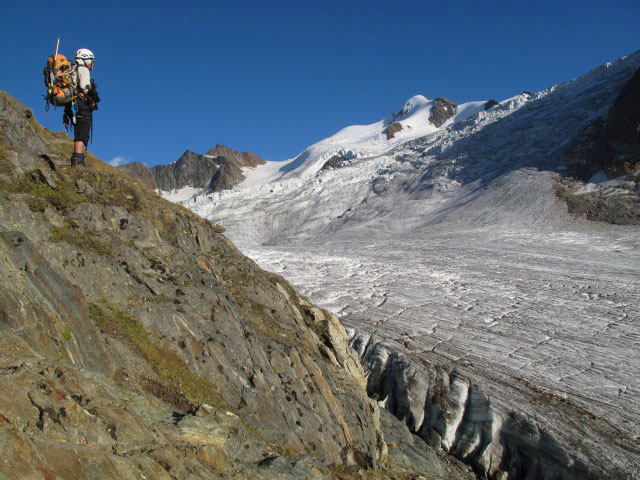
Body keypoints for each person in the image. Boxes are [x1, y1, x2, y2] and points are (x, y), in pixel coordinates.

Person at [67, 48, 100, 167]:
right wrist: (92, 95)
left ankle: (77, 158)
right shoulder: (83, 69)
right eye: (91, 61)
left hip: (72, 105)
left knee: (78, 131)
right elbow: (84, 87)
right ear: (86, 59)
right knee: (82, 132)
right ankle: (78, 160)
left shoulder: (72, 70)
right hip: (81, 105)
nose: (92, 64)